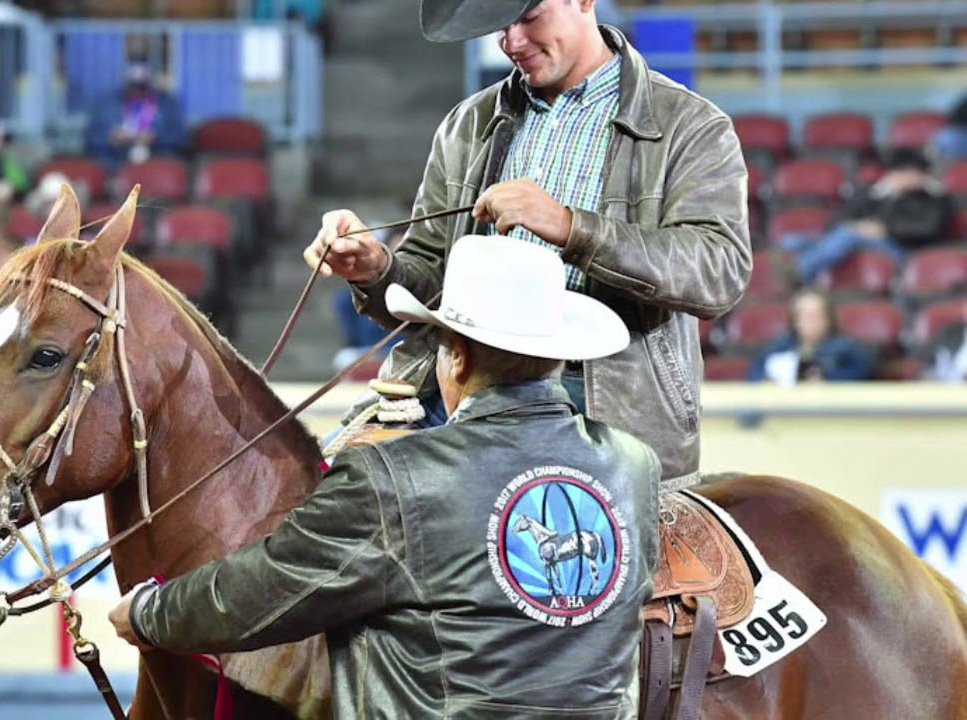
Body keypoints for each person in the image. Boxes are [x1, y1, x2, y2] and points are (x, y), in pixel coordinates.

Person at [110, 235, 659, 719]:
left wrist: (151, 612)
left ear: (457, 359)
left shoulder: (396, 476)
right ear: (556, 357)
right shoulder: (634, 465)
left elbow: (266, 589)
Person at [303, 0, 750, 490]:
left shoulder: (692, 126)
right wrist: (376, 268)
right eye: (501, 24)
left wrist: (570, 227)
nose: (511, 42)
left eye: (529, 17)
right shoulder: (466, 125)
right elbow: (431, 283)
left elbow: (718, 270)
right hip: (458, 385)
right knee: (324, 487)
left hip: (599, 407)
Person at [776, 149, 953, 284]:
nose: (901, 177)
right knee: (793, 240)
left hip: (905, 249)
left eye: (909, 172)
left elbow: (928, 229)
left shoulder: (934, 198)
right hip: (860, 241)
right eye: (898, 172)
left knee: (848, 235)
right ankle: (778, 279)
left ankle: (800, 274)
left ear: (921, 175)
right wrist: (863, 225)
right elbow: (838, 219)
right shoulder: (874, 193)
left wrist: (884, 230)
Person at [747, 289, 876, 386]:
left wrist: (827, 381)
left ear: (828, 319)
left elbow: (864, 372)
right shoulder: (779, 348)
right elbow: (754, 376)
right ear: (795, 320)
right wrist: (766, 381)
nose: (810, 322)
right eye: (805, 316)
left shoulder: (845, 349)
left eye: (816, 316)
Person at [82, 60, 186, 172]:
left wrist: (156, 137)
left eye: (142, 88)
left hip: (156, 162)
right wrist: (111, 138)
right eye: (134, 87)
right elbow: (89, 138)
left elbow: (182, 138)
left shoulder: (167, 103)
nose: (138, 92)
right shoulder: (107, 104)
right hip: (115, 165)